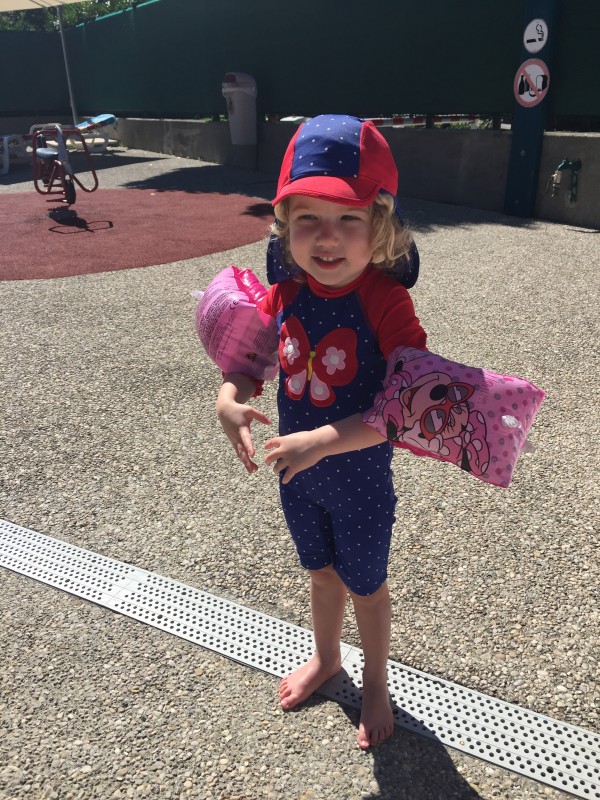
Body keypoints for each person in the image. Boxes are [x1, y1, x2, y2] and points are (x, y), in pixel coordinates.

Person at [215, 115, 427, 749]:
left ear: (381, 229)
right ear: (284, 228)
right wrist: (228, 398)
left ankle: (378, 681)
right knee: (320, 575)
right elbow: (250, 361)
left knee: (366, 585)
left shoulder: (387, 302)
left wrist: (323, 440)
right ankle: (328, 658)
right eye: (307, 217)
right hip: (298, 478)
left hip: (357, 477)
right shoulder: (286, 293)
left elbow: (407, 401)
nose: (326, 238)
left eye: (348, 219)